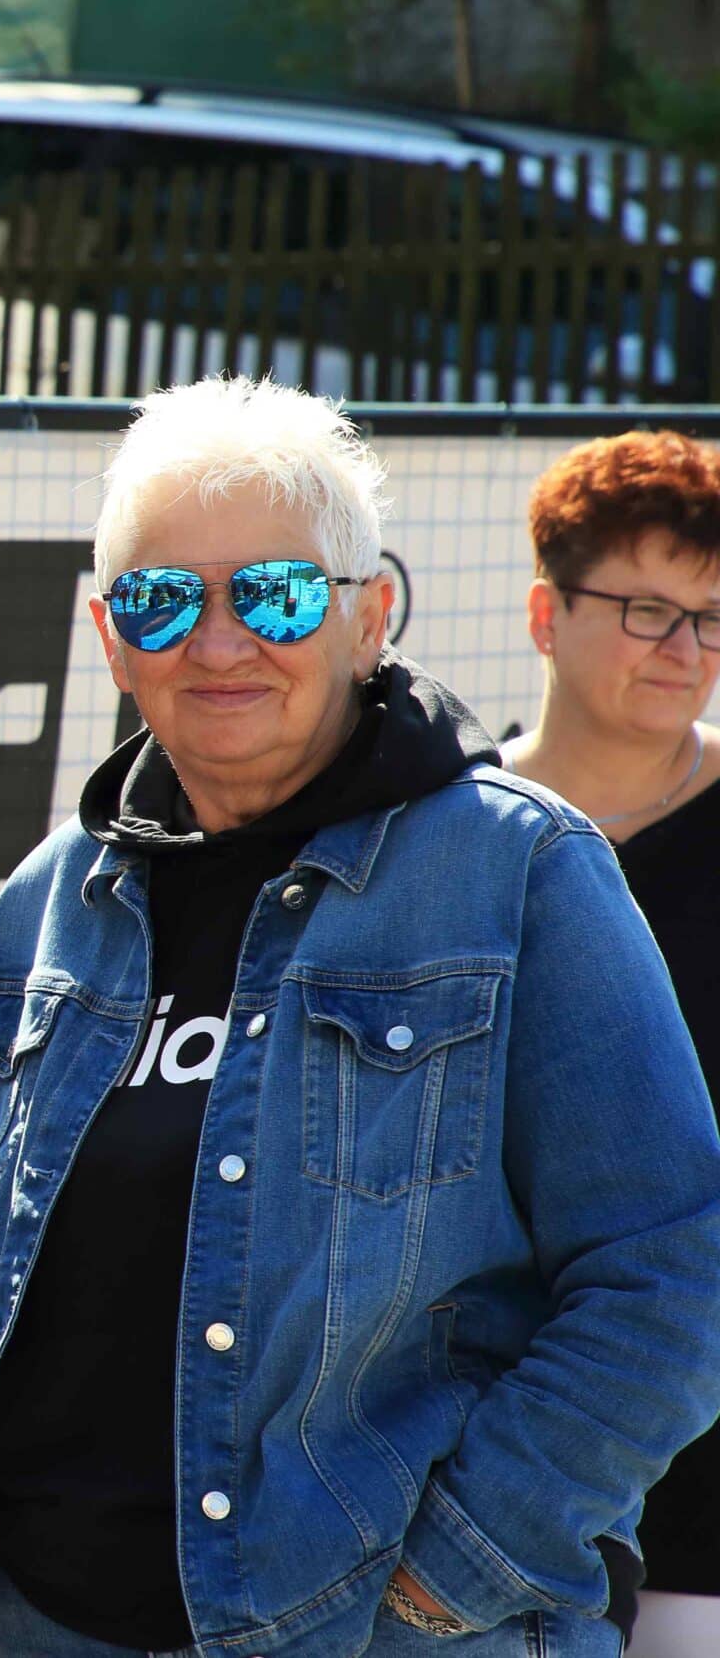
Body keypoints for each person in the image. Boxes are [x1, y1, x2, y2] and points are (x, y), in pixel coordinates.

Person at [0, 376, 720, 1658]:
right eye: (162, 599)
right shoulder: (55, 897)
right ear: (108, 636)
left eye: (276, 594)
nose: (218, 643)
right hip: (43, 1623)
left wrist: (448, 1580)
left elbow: (672, 1271)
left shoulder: (516, 873)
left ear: (367, 619)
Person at [500, 431, 720, 1658]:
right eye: (646, 610)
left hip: (704, 1481)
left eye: (711, 618)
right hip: (498, 1467)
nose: (683, 650)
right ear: (547, 614)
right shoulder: (451, 837)